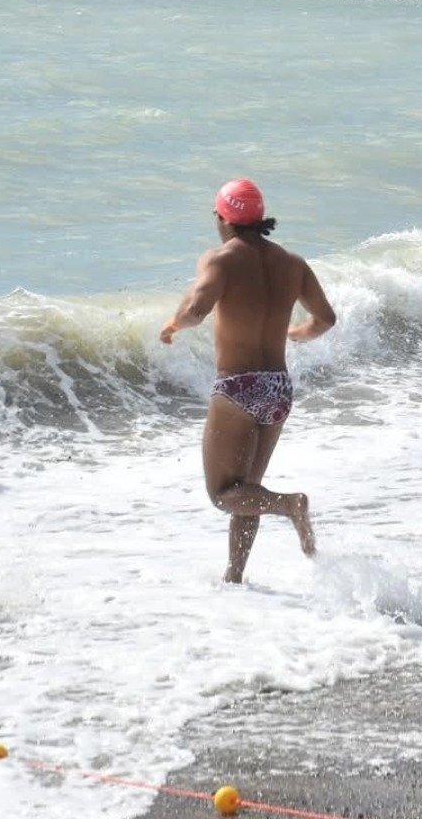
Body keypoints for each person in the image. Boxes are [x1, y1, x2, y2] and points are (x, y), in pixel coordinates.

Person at [161, 179, 337, 582]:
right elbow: (325, 319)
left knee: (224, 494)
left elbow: (196, 310)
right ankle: (234, 577)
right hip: (278, 388)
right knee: (248, 490)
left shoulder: (220, 260)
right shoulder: (292, 263)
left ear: (224, 219)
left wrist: (172, 325)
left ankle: (291, 505)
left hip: (238, 387)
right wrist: (295, 335)